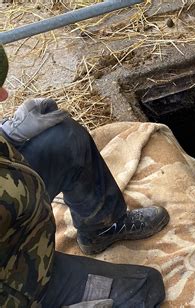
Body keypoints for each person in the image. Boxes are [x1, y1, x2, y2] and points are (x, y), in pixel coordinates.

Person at [0, 45, 168, 307]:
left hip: (15, 210)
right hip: (22, 284)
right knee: (144, 288)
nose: (4, 95)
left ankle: (103, 226)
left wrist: (6, 137)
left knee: (64, 139)